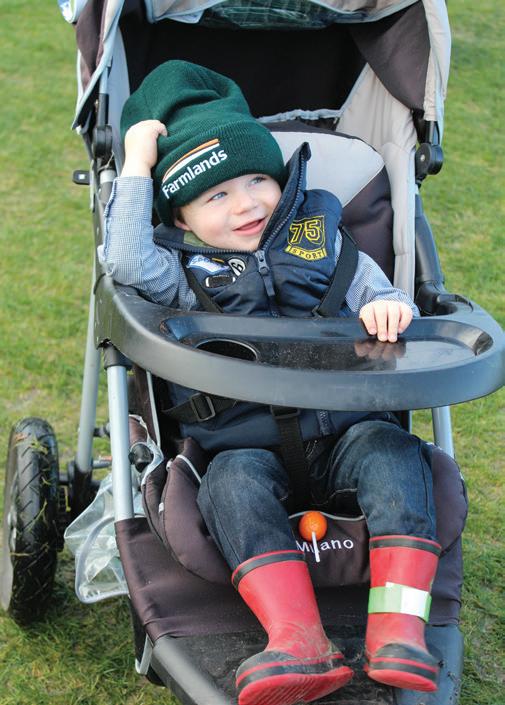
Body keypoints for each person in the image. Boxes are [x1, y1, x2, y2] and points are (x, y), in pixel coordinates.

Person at [101, 60, 441, 705]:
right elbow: (123, 262)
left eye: (258, 179)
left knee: (397, 455)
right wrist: (137, 167)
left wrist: (387, 309)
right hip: (242, 444)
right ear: (182, 221)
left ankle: (400, 628)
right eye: (216, 196)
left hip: (350, 431)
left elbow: (384, 294)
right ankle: (297, 639)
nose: (247, 203)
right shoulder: (180, 275)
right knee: (230, 489)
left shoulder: (325, 241)